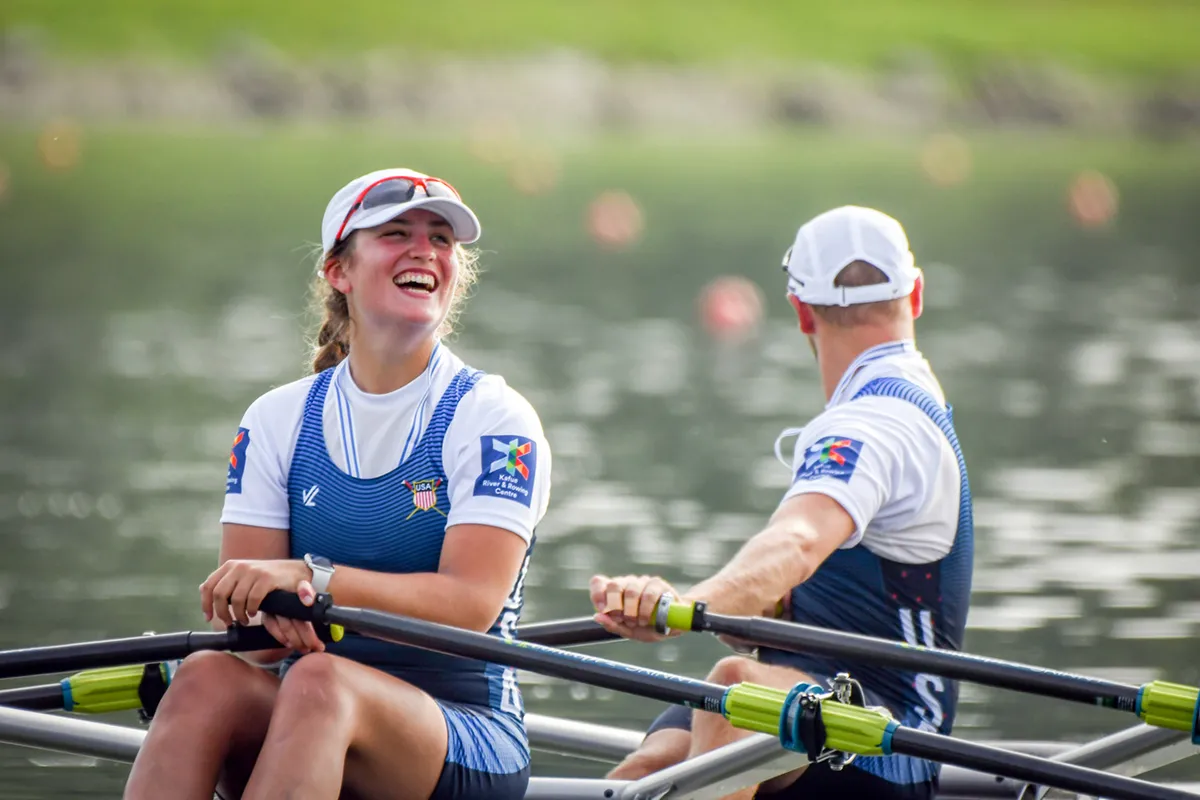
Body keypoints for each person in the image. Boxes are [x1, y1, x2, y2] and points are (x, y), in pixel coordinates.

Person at [125, 168, 552, 800]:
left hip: (467, 734)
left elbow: (470, 605)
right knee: (203, 678)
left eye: (440, 238)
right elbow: (259, 642)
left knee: (322, 682)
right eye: (396, 233)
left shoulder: (495, 419)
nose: (424, 250)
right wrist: (271, 603)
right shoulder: (276, 420)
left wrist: (312, 583)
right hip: (308, 706)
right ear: (338, 271)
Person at [589, 205, 974, 800]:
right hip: (818, 695)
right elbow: (806, 596)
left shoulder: (876, 423)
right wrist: (721, 609)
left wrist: (684, 607)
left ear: (798, 311)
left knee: (738, 690)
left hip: (896, 738)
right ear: (916, 295)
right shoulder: (890, 412)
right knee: (651, 768)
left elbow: (795, 542)